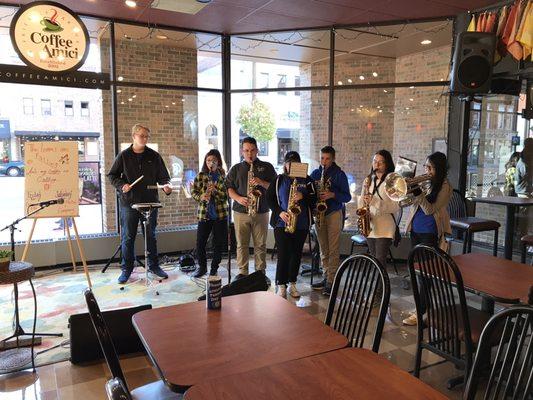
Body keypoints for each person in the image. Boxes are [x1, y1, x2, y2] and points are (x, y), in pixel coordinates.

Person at [107, 124, 172, 284]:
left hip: (150, 202)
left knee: (151, 236)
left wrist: (166, 186)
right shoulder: (124, 156)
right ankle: (126, 269)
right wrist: (122, 185)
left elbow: (163, 177)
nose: (144, 138)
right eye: (142, 135)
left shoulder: (154, 156)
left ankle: (154, 266)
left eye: (146, 136)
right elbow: (112, 175)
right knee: (128, 237)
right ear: (134, 136)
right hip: (129, 203)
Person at [402, 151, 452, 325]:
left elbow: (430, 209)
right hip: (416, 229)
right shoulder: (426, 184)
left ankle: (421, 310)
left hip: (430, 232)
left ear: (438, 169)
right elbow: (409, 203)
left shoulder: (445, 186)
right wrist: (407, 191)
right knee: (416, 270)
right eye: (425, 166)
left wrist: (417, 191)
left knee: (426, 273)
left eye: (429, 167)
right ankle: (421, 306)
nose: (426, 170)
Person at [266, 151, 317, 299]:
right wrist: (279, 212)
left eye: (295, 163)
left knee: (296, 254)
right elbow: (269, 198)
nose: (291, 165)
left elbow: (315, 199)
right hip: (282, 222)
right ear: (285, 165)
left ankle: (292, 283)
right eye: (289, 163)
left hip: (301, 224)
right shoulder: (279, 179)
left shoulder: (307, 180)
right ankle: (281, 285)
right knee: (283, 254)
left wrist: (304, 195)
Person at [226, 137, 277, 283]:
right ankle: (242, 273)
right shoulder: (236, 168)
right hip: (241, 211)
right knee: (241, 244)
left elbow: (275, 187)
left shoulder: (267, 167)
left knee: (260, 244)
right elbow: (228, 187)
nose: (250, 153)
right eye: (246, 150)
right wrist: (238, 198)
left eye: (252, 150)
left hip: (261, 211)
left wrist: (261, 182)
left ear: (257, 150)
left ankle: (260, 273)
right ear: (242, 152)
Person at [310, 146, 351, 295]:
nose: (324, 161)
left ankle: (331, 280)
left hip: (333, 213)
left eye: (327, 158)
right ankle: (325, 275)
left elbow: (347, 197)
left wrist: (332, 194)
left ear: (333, 159)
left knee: (333, 249)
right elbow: (309, 193)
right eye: (322, 158)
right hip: (319, 214)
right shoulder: (315, 173)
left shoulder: (339, 174)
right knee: (323, 248)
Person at [357, 150, 399, 270]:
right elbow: (361, 200)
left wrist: (375, 201)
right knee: (374, 259)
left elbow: (395, 206)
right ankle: (377, 286)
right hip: (370, 225)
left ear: (387, 164)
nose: (377, 164)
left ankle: (381, 288)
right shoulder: (368, 180)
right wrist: (362, 213)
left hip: (385, 227)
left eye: (381, 162)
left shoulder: (392, 182)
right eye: (375, 161)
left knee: (380, 260)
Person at [190, 149, 228, 278]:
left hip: (220, 215)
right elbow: (193, 192)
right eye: (208, 160)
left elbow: (225, 196)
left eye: (214, 160)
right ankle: (202, 267)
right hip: (204, 214)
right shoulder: (200, 176)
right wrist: (201, 197)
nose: (211, 163)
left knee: (218, 243)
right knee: (200, 243)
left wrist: (215, 190)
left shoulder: (223, 177)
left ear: (218, 162)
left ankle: (214, 268)